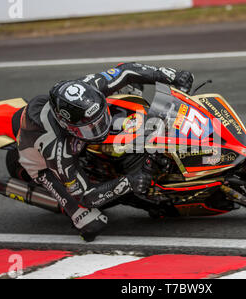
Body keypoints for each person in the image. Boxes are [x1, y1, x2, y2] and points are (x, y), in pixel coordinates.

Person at [16, 62, 194, 241]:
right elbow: (86, 197)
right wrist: (128, 182)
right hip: (41, 164)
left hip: (75, 136)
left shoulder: (89, 87)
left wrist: (170, 75)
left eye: (100, 120)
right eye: (89, 128)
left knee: (132, 86)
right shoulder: (56, 150)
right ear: (66, 125)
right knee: (92, 225)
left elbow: (126, 71)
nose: (99, 129)